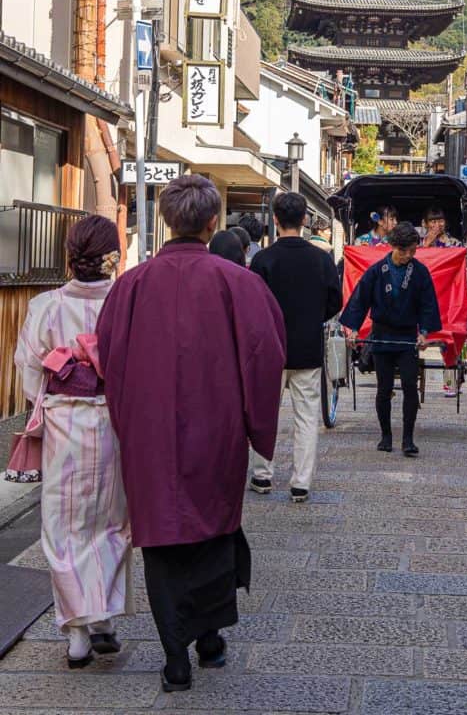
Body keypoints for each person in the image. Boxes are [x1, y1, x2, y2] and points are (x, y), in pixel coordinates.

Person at [97, 175, 285, 693]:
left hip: (150, 429)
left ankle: (175, 657)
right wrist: (256, 425)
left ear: (165, 221)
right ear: (211, 223)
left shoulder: (131, 285)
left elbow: (108, 359)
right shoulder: (239, 282)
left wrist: (128, 418)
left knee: (159, 534)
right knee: (214, 526)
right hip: (217, 424)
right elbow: (265, 357)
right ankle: (210, 641)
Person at [14, 215, 132, 669]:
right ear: (111, 257)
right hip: (115, 424)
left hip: (65, 424)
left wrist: (54, 394)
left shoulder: (46, 305)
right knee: (112, 522)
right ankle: (103, 619)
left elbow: (30, 373)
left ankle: (78, 633)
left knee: (63, 529)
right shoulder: (125, 301)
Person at [249, 192, 342, 503]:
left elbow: (253, 307)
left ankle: (262, 475)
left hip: (270, 349)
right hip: (307, 348)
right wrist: (312, 317)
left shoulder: (263, 260)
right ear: (305, 220)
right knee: (305, 416)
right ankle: (300, 482)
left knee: (265, 413)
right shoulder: (321, 259)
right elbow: (335, 301)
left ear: (275, 220)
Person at [340, 221, 441, 457]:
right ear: (393, 246)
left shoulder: (420, 272)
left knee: (409, 385)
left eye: (412, 251)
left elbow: (428, 305)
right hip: (381, 336)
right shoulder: (376, 271)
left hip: (407, 337)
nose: (408, 256)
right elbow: (360, 300)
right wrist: (353, 329)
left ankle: (408, 438)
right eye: (403, 251)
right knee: (384, 388)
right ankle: (386, 436)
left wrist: (424, 332)